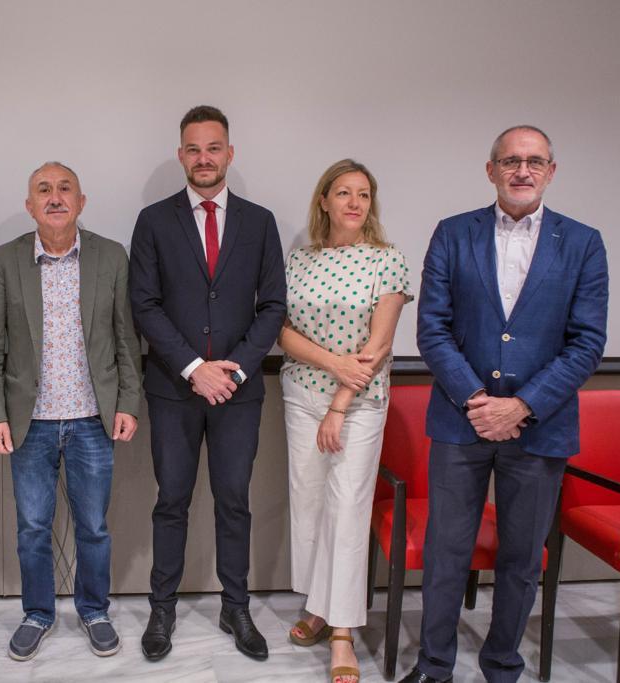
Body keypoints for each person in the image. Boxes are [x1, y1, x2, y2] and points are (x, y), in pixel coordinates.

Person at [400, 126, 608, 683]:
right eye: (511, 160)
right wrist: (476, 399)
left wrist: (520, 407)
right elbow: (433, 330)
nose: (523, 170)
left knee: (521, 560)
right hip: (459, 418)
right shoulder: (452, 233)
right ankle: (435, 666)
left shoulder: (584, 242)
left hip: (540, 428)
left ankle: (501, 665)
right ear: (490, 169)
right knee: (447, 554)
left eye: (534, 161)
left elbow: (587, 342)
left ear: (551, 171)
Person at [130, 105, 286, 661]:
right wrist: (196, 369)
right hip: (174, 389)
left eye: (213, 148)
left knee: (234, 501)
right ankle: (162, 607)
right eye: (193, 149)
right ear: (181, 156)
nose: (203, 158)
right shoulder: (153, 220)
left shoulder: (259, 221)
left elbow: (271, 308)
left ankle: (235, 606)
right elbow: (143, 305)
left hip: (239, 393)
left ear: (229, 153)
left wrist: (235, 369)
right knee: (170, 500)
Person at [0, 161, 142, 661]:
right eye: (43, 190)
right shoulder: (5, 261)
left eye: (64, 188)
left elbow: (126, 339)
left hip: (94, 418)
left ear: (81, 201)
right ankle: (37, 613)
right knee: (32, 527)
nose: (54, 197)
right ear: (29, 206)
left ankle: (94, 611)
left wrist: (129, 403)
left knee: (93, 525)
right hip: (31, 424)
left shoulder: (110, 257)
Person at [279, 159, 411, 683]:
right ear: (324, 202)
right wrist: (331, 366)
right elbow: (282, 333)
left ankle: (342, 632)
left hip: (357, 403)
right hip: (300, 393)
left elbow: (377, 347)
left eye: (363, 194)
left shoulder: (388, 260)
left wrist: (338, 402)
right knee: (309, 503)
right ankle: (318, 605)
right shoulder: (299, 261)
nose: (355, 202)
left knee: (348, 508)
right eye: (343, 193)